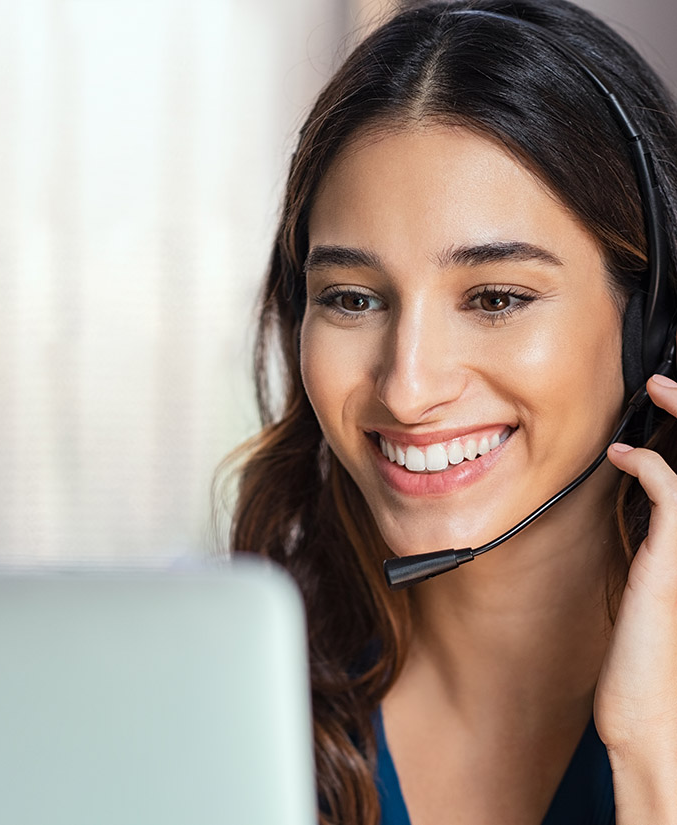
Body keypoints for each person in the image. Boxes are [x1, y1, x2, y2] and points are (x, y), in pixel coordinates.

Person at [228, 0, 677, 822]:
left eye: (496, 296)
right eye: (354, 298)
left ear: (654, 329)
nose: (407, 386)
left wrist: (652, 755)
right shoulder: (231, 698)